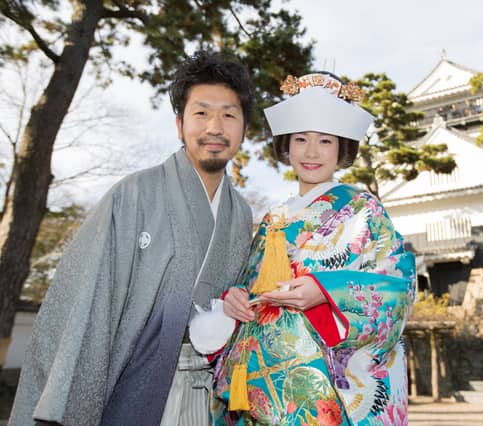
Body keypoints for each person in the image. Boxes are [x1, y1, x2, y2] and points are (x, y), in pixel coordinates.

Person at [9, 50, 254, 426]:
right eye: (201, 113)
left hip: (211, 397)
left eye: (229, 115)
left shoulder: (241, 216)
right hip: (134, 385)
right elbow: (86, 302)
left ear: (244, 128)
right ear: (179, 124)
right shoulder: (134, 194)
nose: (215, 127)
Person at [205, 72, 417, 425]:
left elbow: (398, 284)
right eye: (301, 139)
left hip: (325, 391)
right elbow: (250, 283)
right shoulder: (275, 218)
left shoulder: (363, 209)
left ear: (342, 149)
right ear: (287, 146)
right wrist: (235, 298)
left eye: (325, 141)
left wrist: (324, 292)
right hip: (261, 388)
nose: (312, 152)